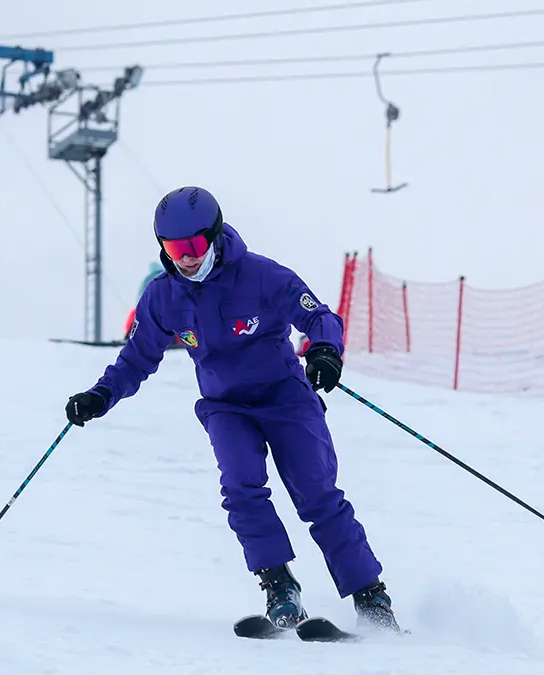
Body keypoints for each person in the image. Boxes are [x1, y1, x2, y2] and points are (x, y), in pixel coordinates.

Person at [65, 186, 401, 633]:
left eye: (194, 246)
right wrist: (101, 395)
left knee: (317, 495)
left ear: (215, 235)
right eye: (173, 248)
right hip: (226, 407)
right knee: (242, 489)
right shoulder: (163, 297)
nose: (185, 257)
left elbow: (318, 316)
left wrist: (325, 351)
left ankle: (373, 602)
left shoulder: (261, 276)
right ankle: (280, 588)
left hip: (286, 400)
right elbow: (137, 357)